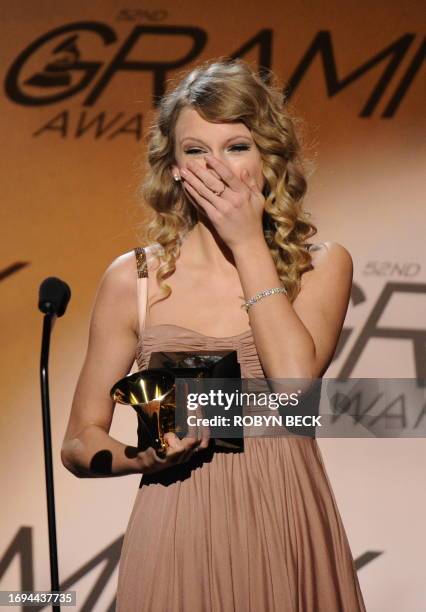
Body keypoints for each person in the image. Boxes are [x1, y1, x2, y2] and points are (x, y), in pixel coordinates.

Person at [61, 58, 367, 611]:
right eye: (196, 151)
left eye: (236, 147)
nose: (217, 168)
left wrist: (249, 244)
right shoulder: (133, 278)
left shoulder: (321, 265)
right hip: (176, 521)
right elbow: (81, 439)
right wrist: (142, 457)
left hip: (284, 517)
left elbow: (296, 391)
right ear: (174, 168)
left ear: (268, 158)